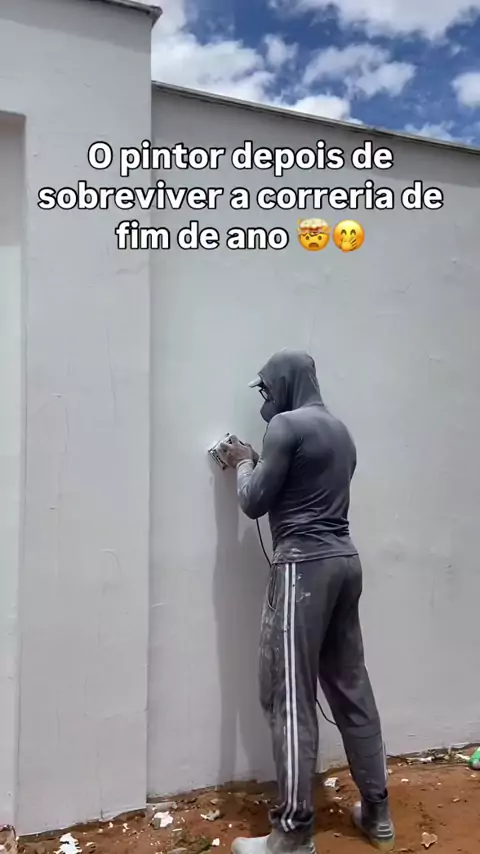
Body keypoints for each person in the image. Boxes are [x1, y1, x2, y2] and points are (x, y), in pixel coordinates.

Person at [220, 350, 395, 854]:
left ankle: (293, 833)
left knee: (289, 697)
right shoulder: (341, 432)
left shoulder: (286, 427)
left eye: (266, 391)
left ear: (283, 384)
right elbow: (307, 486)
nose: (265, 402)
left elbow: (254, 501)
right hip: (345, 562)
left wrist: (244, 461)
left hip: (303, 567)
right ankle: (378, 815)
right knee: (351, 687)